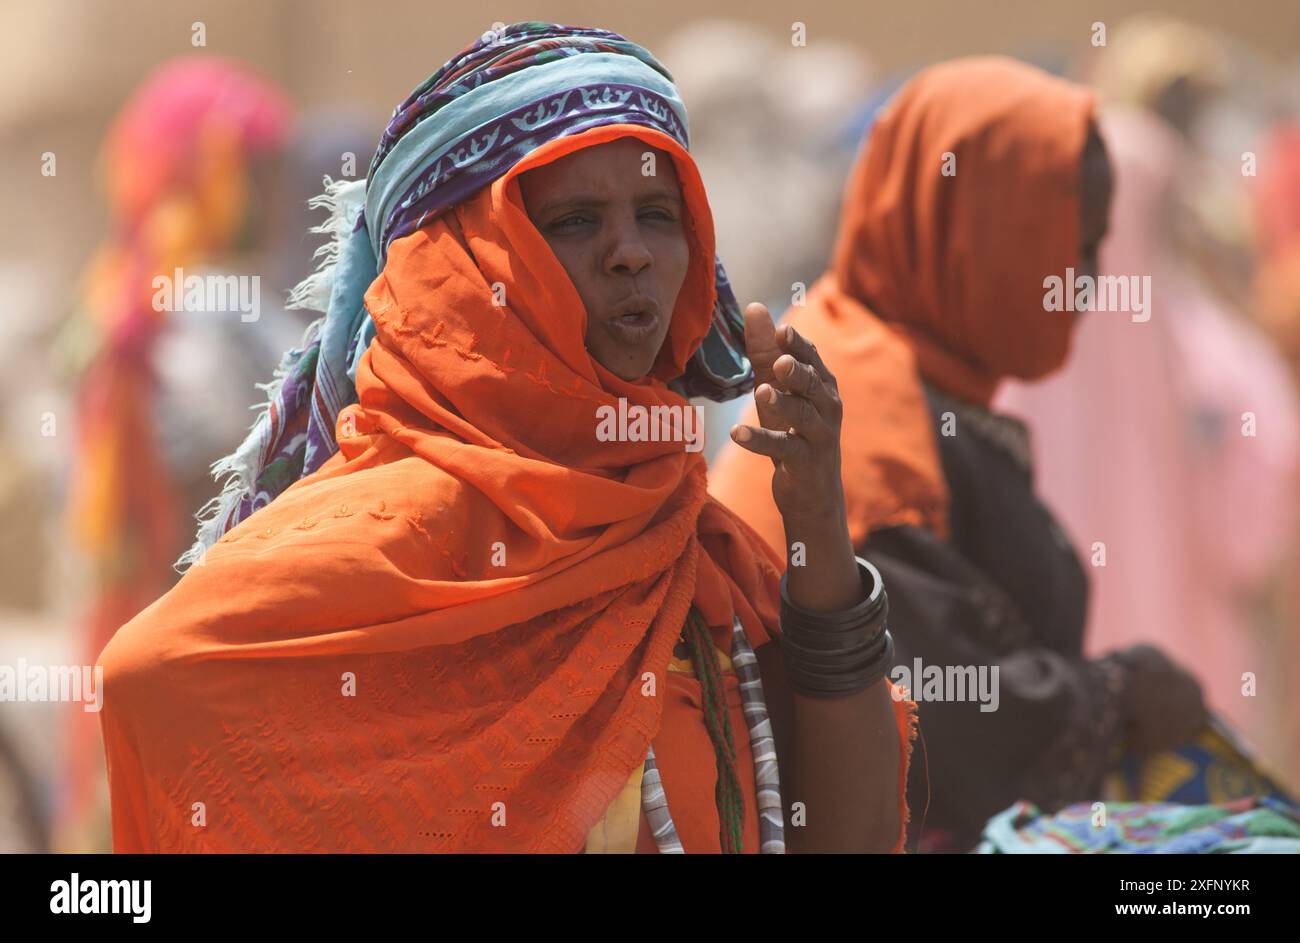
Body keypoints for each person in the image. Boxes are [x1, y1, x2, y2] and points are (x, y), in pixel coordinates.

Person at [97, 22, 914, 854]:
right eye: (573, 222)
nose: (630, 253)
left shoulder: (693, 546)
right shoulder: (378, 549)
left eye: (657, 214)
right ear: (464, 267)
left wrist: (816, 520)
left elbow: (844, 837)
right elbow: (154, 682)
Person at [710, 57, 1206, 852]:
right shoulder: (866, 419)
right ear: (976, 231)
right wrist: (1117, 695)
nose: (1085, 282)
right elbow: (939, 712)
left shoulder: (918, 379)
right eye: (1069, 248)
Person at [58, 56, 292, 851]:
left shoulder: (112, 300)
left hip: (132, 636)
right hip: (228, 652)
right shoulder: (213, 313)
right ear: (214, 177)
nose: (280, 195)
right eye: (259, 171)